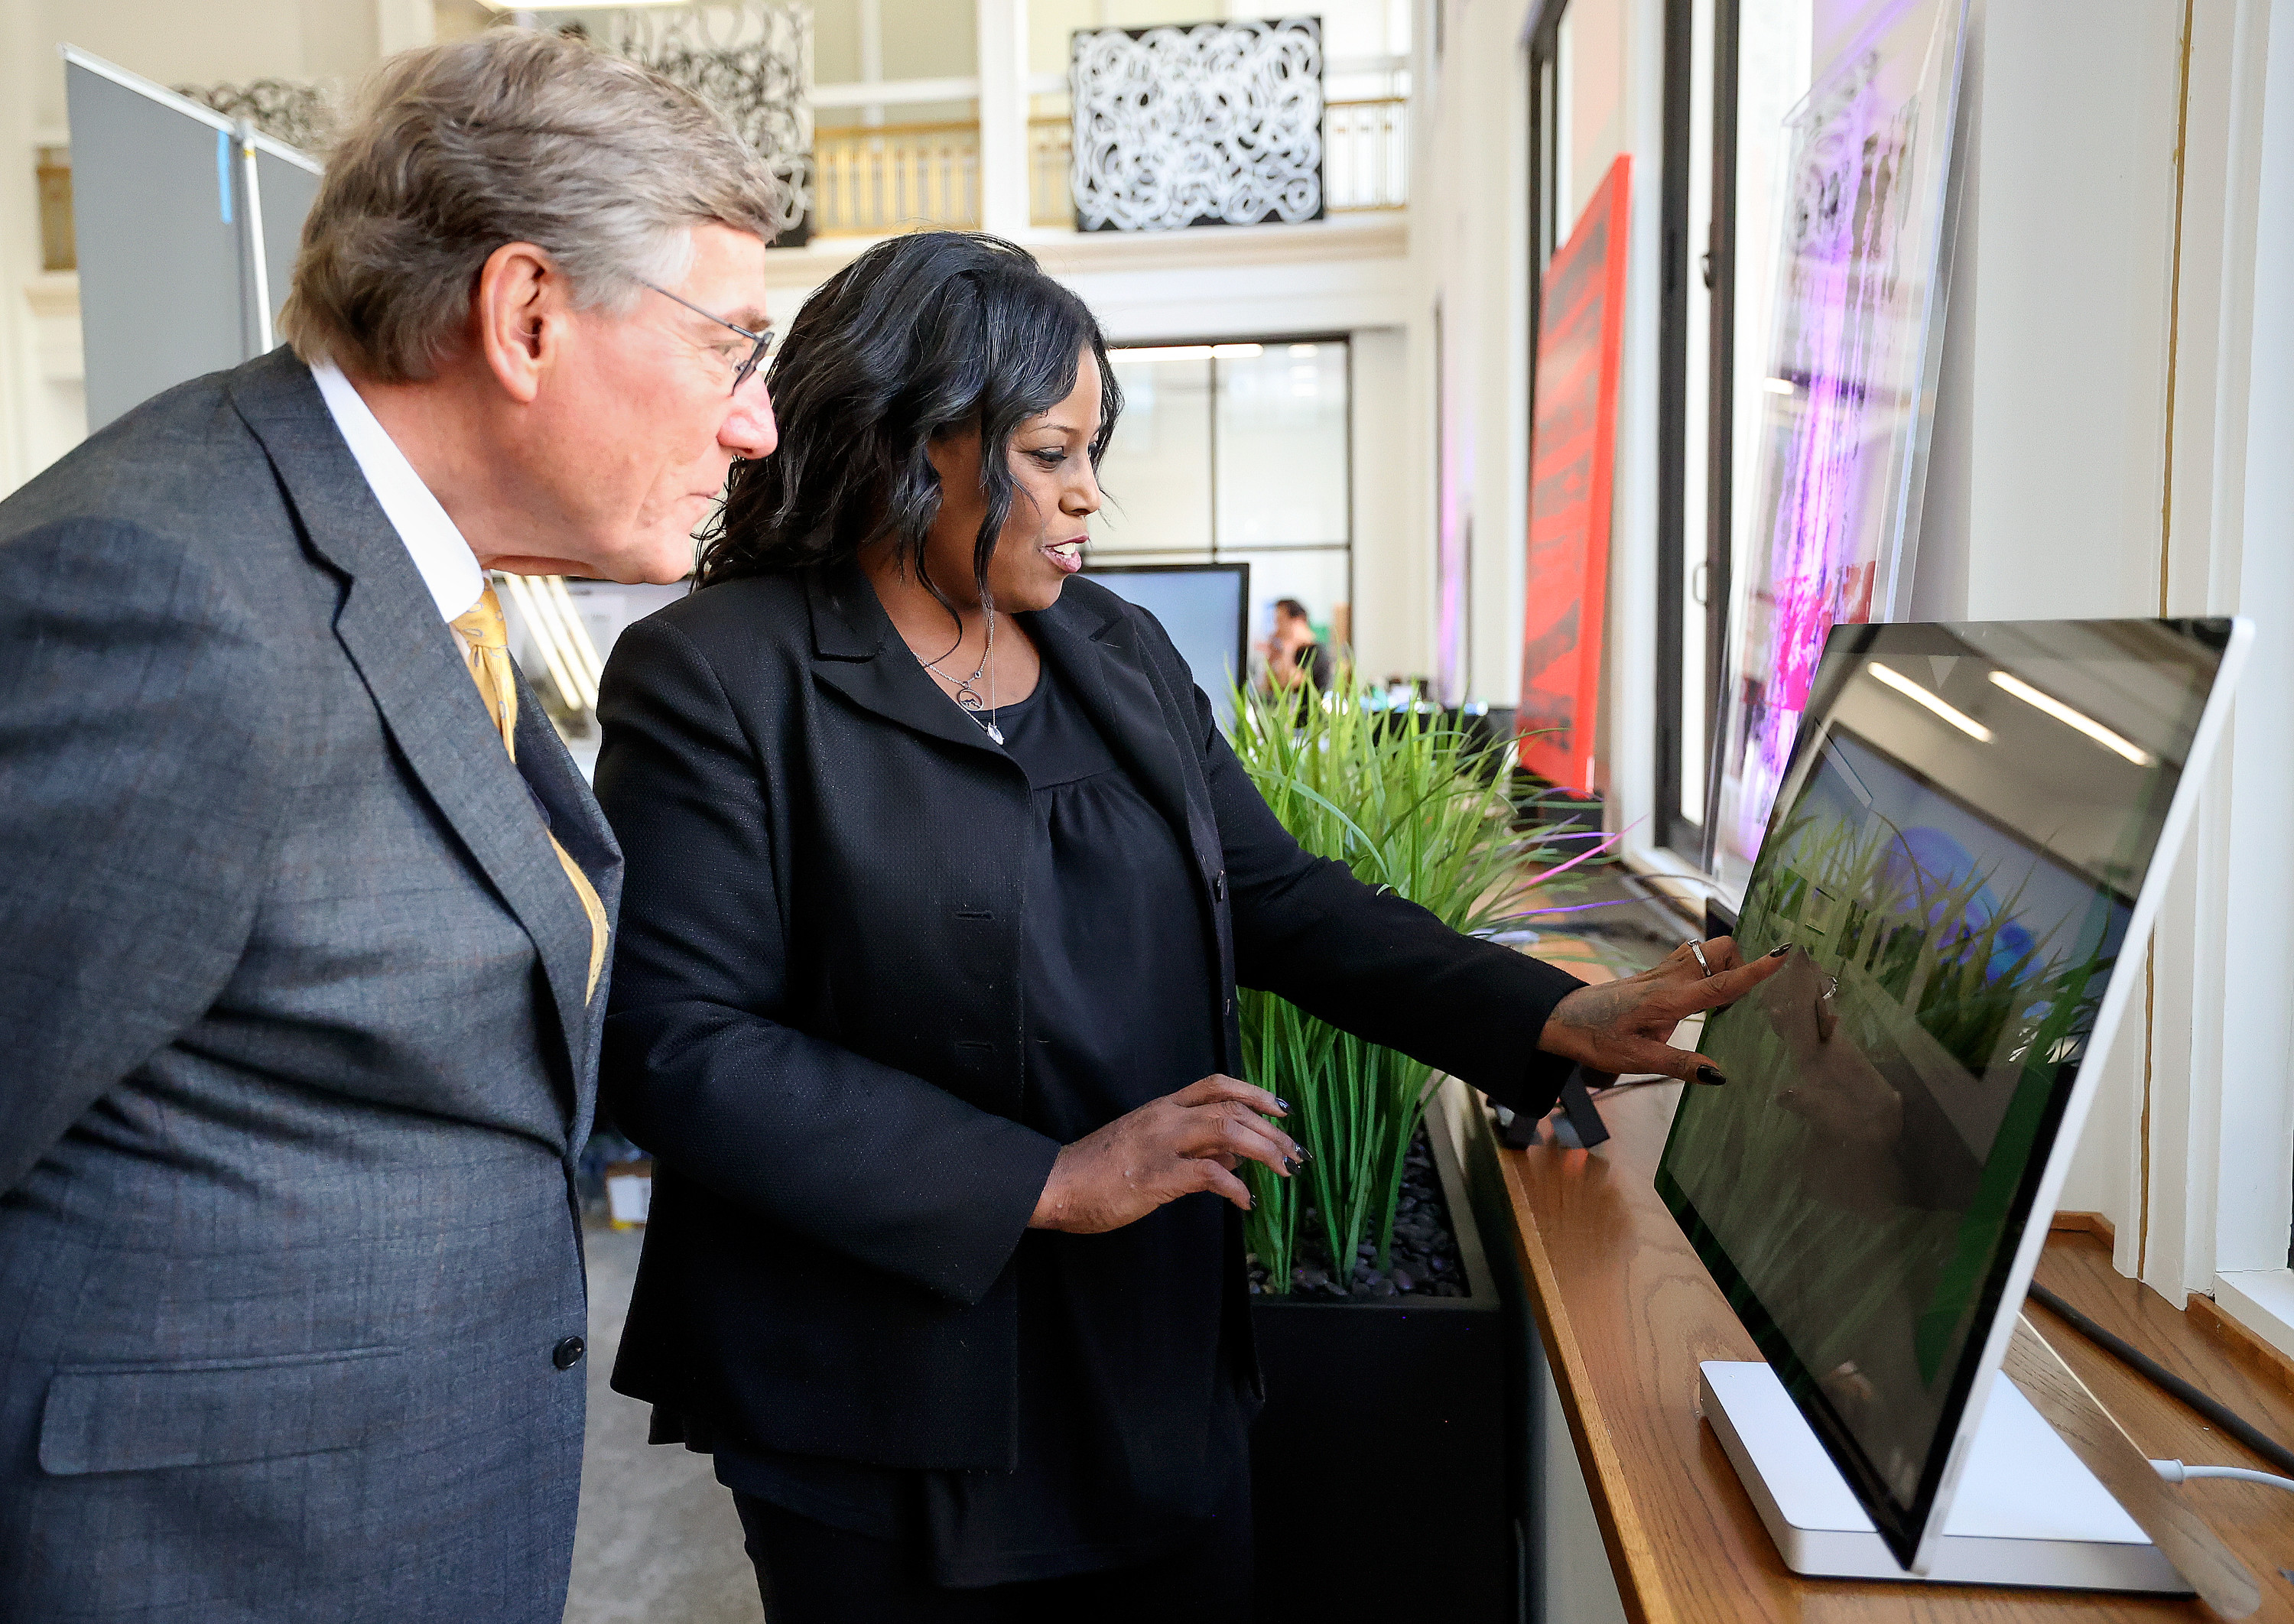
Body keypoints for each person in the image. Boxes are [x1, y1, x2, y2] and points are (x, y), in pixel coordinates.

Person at [593, 231, 1784, 1623]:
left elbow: (1274, 894)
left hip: (1148, 1347)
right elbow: (680, 1046)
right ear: (915, 440)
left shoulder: (1115, 647)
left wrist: (1535, 1011)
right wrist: (1044, 1178)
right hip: (883, 1389)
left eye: (1095, 448)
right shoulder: (715, 676)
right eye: (1049, 452)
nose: (1090, 494)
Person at [0, 31, 780, 1622]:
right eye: (731, 348)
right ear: (529, 316)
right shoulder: (171, 593)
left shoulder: (431, 589)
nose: (753, 426)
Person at [1266, 596, 1335, 691]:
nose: (1278, 627)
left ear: (1298, 621)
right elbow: (1271, 686)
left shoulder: (1316, 651)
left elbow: (1291, 683)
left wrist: (1289, 646)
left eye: (1281, 620)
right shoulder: (1289, 651)